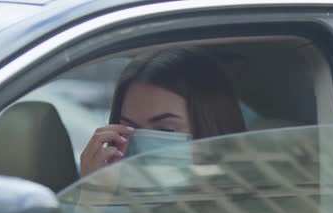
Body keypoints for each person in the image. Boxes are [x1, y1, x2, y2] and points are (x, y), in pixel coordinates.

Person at [80, 47, 246, 177]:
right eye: (128, 130)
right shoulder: (115, 203)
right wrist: (94, 194)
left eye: (165, 130)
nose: (142, 148)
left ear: (211, 130)